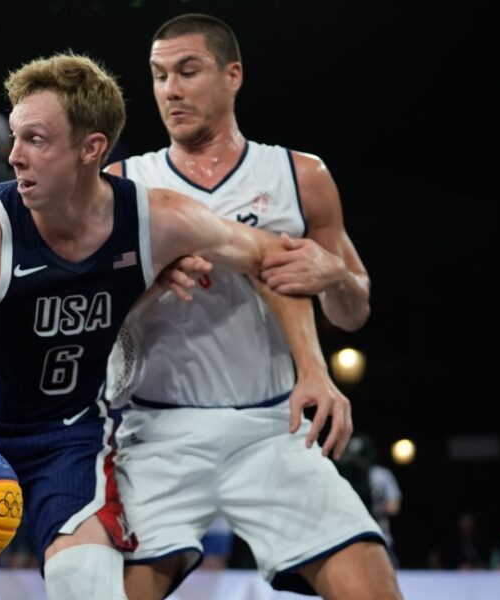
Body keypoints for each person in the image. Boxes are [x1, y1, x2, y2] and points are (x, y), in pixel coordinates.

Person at [0, 52, 307, 600]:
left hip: (70, 438)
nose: (13, 156)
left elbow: (270, 255)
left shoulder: (157, 219)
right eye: (15, 137)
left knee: (86, 586)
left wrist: (339, 279)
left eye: (36, 140)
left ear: (92, 148)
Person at [102, 13, 400, 600]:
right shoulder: (124, 185)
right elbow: (93, 315)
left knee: (375, 590)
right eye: (160, 76)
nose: (171, 91)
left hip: (271, 427)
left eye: (188, 72)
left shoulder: (300, 175)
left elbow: (353, 311)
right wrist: (146, 284)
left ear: (233, 75)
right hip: (158, 430)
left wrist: (335, 273)